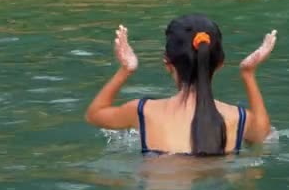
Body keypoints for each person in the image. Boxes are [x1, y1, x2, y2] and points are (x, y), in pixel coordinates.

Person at [85, 14, 276, 156]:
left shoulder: (143, 111)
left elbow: (94, 115)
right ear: (220, 64)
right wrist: (248, 73)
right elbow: (262, 134)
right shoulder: (238, 118)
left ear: (168, 64)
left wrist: (126, 69)